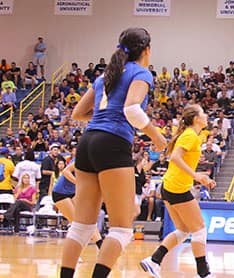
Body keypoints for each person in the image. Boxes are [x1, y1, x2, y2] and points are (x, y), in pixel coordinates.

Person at [60, 28, 167, 278]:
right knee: (121, 229)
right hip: (112, 142)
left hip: (88, 142)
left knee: (82, 226)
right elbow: (131, 109)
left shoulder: (106, 76)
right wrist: (156, 135)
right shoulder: (141, 73)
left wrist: (106, 116)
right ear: (147, 50)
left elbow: (77, 113)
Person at [140, 105, 215, 278]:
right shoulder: (190, 135)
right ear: (196, 118)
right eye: (203, 113)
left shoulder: (192, 135)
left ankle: (154, 260)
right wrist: (196, 175)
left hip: (170, 186)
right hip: (177, 187)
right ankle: (204, 274)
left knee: (182, 231)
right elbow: (175, 158)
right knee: (199, 230)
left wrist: (200, 175)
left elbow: (180, 161)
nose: (206, 116)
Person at [50, 152, 103, 249]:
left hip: (73, 193)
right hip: (60, 193)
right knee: (77, 223)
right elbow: (66, 171)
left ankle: (101, 245)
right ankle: (72, 252)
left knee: (88, 220)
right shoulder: (83, 159)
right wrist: (78, 183)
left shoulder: (97, 164)